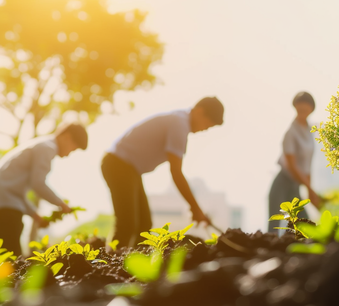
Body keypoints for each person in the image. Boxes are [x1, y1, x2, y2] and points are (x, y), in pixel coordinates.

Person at [102, 97, 223, 248]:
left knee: (144, 226)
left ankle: (133, 267)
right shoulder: (180, 124)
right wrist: (196, 208)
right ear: (199, 111)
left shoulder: (179, 120)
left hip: (129, 169)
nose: (205, 129)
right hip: (119, 164)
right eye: (207, 124)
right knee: (127, 223)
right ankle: (109, 264)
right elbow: (176, 172)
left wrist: (195, 208)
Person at [0, 123, 88, 255]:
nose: (70, 153)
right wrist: (61, 204)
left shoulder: (41, 144)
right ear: (67, 138)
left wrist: (35, 216)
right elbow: (38, 184)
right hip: (7, 210)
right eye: (73, 149)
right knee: (11, 259)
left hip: (6, 204)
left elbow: (14, 192)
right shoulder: (47, 148)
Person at [268, 92, 320, 233]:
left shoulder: (310, 131)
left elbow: (307, 164)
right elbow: (292, 166)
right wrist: (309, 188)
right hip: (283, 182)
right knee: (274, 225)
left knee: (305, 225)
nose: (302, 112)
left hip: (296, 185)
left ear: (311, 109)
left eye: (306, 109)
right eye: (300, 109)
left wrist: (310, 189)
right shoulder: (290, 133)